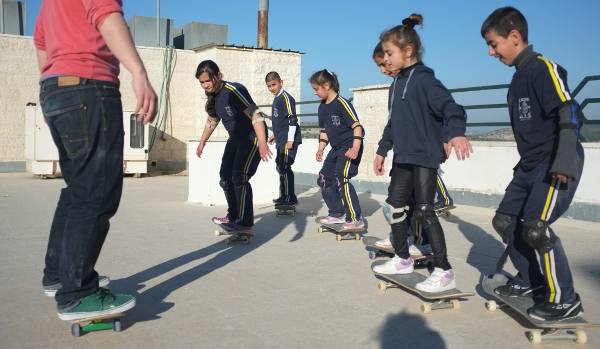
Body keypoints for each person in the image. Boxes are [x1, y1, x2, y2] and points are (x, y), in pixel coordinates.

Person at [34, 0, 158, 320]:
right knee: (96, 193)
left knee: (77, 190)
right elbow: (105, 13)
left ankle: (60, 275)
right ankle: (77, 293)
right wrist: (138, 71)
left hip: (56, 89)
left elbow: (41, 42)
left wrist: (52, 88)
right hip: (89, 87)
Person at [482, 7, 585, 321]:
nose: (490, 52)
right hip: (529, 165)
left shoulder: (543, 68)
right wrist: (522, 168)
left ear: (514, 37)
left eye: (493, 44)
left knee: (536, 229)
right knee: (505, 222)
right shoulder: (517, 80)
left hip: (555, 161)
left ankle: (565, 299)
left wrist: (565, 157)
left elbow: (568, 112)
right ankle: (529, 280)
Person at [371, 14, 473, 293]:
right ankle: (403, 258)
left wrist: (454, 132)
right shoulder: (396, 85)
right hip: (403, 156)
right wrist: (382, 151)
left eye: (389, 53)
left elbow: (452, 108)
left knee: (425, 211)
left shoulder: (426, 81)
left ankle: (444, 270)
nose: (386, 59)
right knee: (394, 207)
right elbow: (392, 124)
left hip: (424, 156)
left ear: (408, 51)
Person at [196, 60, 272, 230]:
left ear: (218, 76)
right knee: (225, 179)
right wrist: (202, 142)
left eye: (208, 80)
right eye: (202, 82)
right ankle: (233, 217)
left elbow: (256, 114)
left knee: (239, 177)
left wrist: (262, 143)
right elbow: (212, 120)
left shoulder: (234, 90)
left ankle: (244, 223)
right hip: (235, 138)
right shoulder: (214, 97)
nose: (205, 85)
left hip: (251, 135)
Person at [311, 69, 365, 230]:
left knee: (341, 178)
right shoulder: (322, 107)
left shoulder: (342, 103)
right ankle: (337, 214)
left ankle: (355, 218)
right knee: (324, 179)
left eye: (316, 89)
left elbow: (357, 127)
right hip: (335, 148)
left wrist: (355, 148)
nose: (315, 93)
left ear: (326, 85)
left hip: (349, 146)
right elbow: (325, 130)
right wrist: (320, 148)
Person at [265, 72, 302, 207]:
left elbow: (292, 119)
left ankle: (290, 199)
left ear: (281, 82)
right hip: (281, 137)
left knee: (285, 166)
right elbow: (281, 121)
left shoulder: (286, 98)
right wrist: (275, 134)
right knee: (280, 166)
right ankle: (284, 196)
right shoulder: (276, 98)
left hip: (288, 138)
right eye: (269, 86)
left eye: (274, 84)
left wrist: (290, 140)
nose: (272, 88)